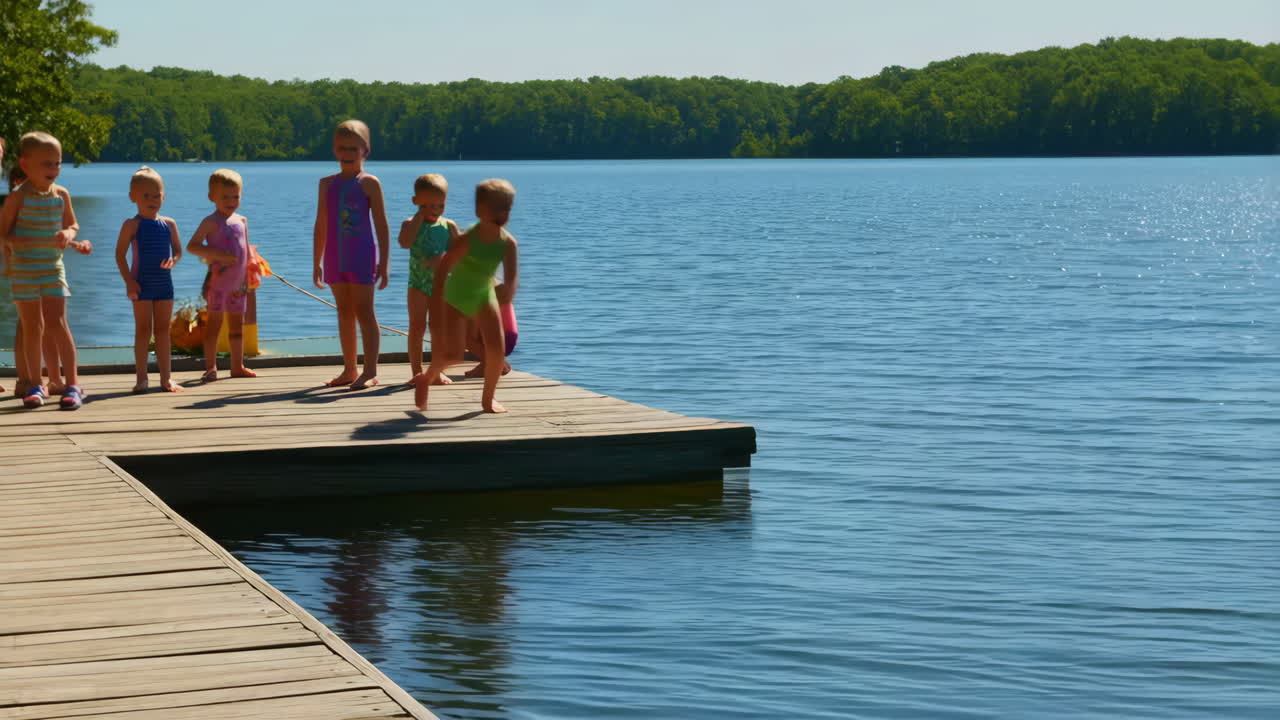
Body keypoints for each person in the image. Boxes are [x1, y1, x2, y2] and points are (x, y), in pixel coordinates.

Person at [0, 131, 91, 409]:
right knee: (32, 328)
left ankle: (72, 384)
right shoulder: (18, 197)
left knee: (58, 324)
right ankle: (36, 385)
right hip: (25, 271)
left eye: (57, 163)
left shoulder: (62, 194)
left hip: (52, 269)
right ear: (26, 165)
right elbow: (3, 233)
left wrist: (68, 233)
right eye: (46, 164)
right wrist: (19, 241)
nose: (53, 169)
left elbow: (73, 225)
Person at [414, 179, 520, 414]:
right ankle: (427, 377)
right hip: (457, 294)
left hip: (484, 294)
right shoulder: (468, 239)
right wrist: (438, 302)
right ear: (480, 210)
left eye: (507, 208)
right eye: (496, 207)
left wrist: (509, 290)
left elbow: (512, 277)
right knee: (453, 353)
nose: (503, 213)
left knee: (496, 350)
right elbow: (444, 268)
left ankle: (487, 399)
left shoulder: (507, 243)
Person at [313, 119, 390, 390]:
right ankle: (349, 369)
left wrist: (384, 262)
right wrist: (317, 262)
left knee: (364, 311)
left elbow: (381, 224)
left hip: (361, 256)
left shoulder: (369, 183)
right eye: (341, 148)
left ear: (365, 150)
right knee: (344, 311)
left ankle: (369, 371)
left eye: (353, 149)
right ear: (334, 150)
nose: (346, 154)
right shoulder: (326, 184)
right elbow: (321, 224)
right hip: (335, 257)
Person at [114, 166, 183, 393]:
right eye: (146, 196)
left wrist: (173, 260)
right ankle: (141, 378)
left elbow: (178, 252)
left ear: (164, 196)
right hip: (141, 283)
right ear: (133, 197)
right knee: (143, 330)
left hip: (164, 284)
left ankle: (166, 378)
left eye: (157, 195)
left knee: (163, 330)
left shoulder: (170, 224)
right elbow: (120, 255)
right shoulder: (131, 225)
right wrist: (129, 282)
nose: (152, 200)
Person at [186, 168, 257, 382]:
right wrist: (216, 254)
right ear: (212, 197)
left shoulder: (242, 221)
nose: (230, 201)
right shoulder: (211, 222)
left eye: (235, 196)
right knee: (214, 326)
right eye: (225, 197)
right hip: (217, 284)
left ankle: (238, 366)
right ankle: (211, 367)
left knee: (237, 327)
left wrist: (252, 267)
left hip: (238, 286)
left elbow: (246, 251)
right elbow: (193, 246)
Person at [398, 173, 459, 382]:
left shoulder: (448, 226)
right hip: (417, 283)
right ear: (416, 202)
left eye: (440, 206)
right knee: (417, 326)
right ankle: (416, 371)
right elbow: (405, 243)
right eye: (427, 206)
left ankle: (436, 369)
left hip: (441, 285)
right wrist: (418, 217)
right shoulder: (409, 223)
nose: (434, 211)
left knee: (437, 327)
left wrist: (442, 258)